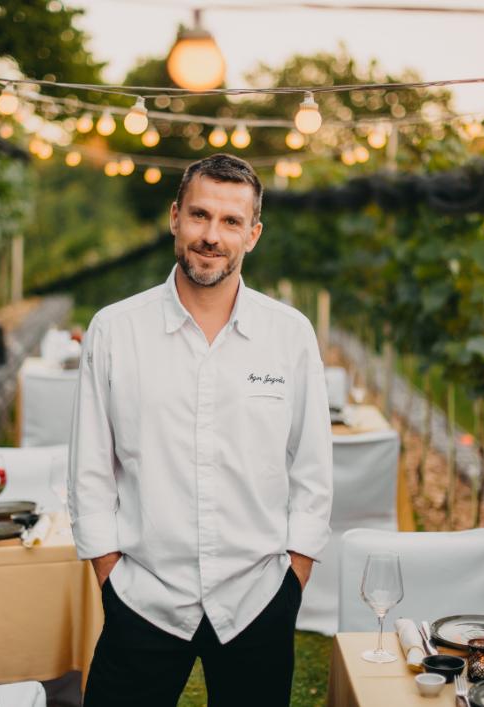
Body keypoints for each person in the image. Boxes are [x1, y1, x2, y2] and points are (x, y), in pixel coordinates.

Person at [68, 153, 333, 706]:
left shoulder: (290, 335)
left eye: (231, 221)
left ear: (253, 234)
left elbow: (313, 471)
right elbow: (91, 471)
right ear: (175, 218)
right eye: (200, 215)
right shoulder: (115, 330)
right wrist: (111, 580)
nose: (212, 236)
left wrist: (293, 581)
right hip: (143, 594)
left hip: (258, 597)